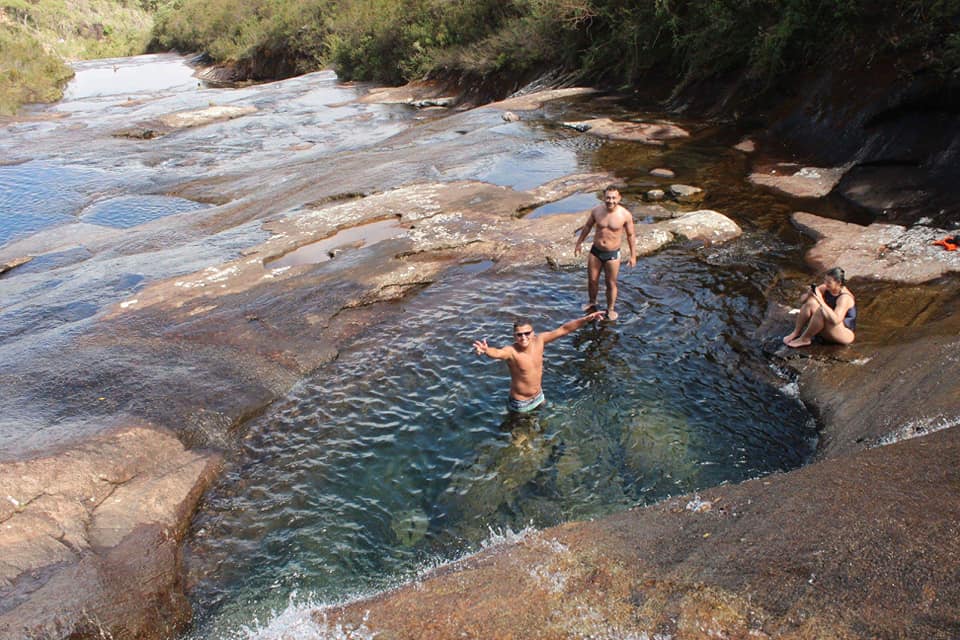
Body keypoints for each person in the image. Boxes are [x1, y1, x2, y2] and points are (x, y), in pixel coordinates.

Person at [473, 311, 605, 413]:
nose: (523, 337)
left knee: (542, 426)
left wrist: (586, 319)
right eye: (519, 334)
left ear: (533, 333)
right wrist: (486, 350)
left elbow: (564, 329)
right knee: (521, 438)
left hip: (539, 396)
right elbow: (498, 353)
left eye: (527, 333)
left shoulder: (540, 340)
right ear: (514, 336)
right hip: (521, 403)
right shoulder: (511, 351)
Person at [574, 185, 637, 321]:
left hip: (612, 254)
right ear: (604, 197)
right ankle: (592, 302)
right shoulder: (597, 211)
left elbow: (631, 235)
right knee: (592, 280)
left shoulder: (625, 215)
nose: (611, 201)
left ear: (619, 198)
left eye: (614, 198)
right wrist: (579, 243)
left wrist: (633, 256)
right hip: (595, 251)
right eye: (608, 197)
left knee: (611, 283)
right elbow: (587, 227)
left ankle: (611, 309)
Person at [783, 267, 857, 348]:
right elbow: (802, 301)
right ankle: (796, 332)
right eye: (825, 280)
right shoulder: (825, 288)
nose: (825, 284)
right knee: (811, 303)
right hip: (828, 327)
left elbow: (836, 320)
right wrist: (809, 294)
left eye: (829, 282)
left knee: (822, 310)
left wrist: (821, 301)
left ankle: (805, 339)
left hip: (843, 333)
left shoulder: (844, 298)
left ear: (838, 283)